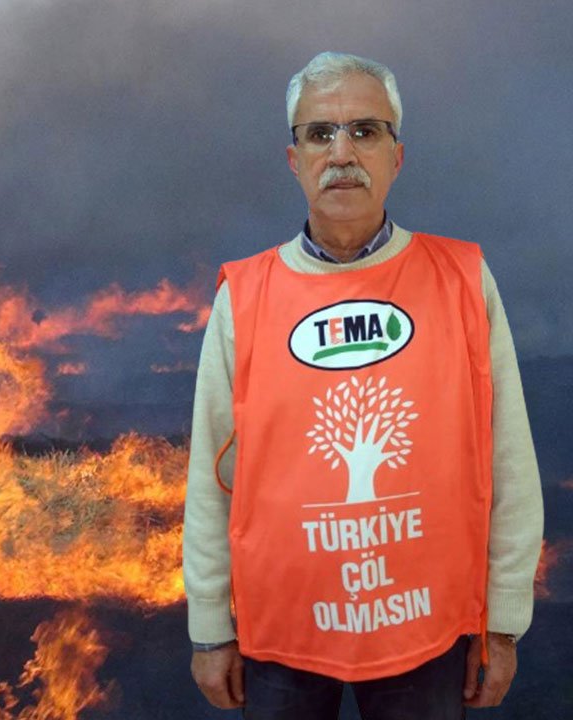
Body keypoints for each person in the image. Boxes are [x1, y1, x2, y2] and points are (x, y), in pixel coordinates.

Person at [183, 51, 543, 719]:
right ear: (294, 159)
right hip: (284, 630)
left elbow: (509, 455)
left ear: (396, 157)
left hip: (428, 626)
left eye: (365, 130)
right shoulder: (245, 296)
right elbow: (211, 471)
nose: (342, 153)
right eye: (320, 133)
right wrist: (209, 625)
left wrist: (503, 620)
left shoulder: (463, 279)